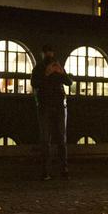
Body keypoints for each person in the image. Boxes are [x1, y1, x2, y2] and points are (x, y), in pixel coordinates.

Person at [31, 45, 73, 180]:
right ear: (43, 54)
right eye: (48, 53)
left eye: (51, 53)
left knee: (61, 138)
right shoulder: (39, 68)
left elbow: (68, 82)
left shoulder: (57, 67)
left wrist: (62, 73)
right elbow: (34, 83)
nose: (49, 55)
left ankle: (63, 169)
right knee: (46, 139)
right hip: (46, 106)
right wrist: (46, 74)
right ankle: (46, 170)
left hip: (59, 106)